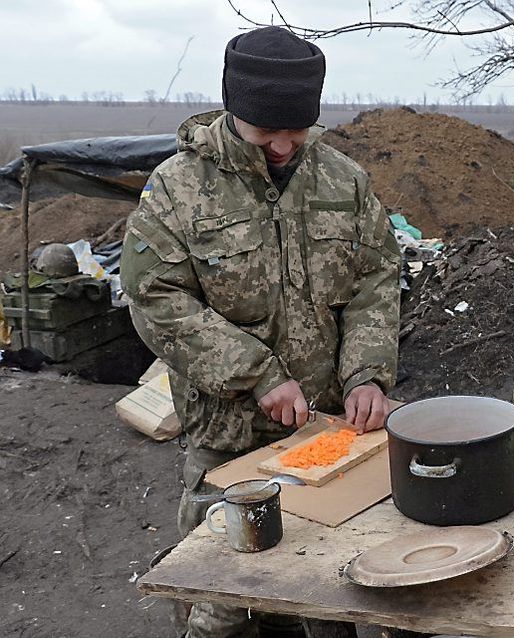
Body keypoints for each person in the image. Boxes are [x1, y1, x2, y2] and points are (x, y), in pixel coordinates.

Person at [121, 26, 400, 638]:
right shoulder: (177, 187)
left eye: (296, 130)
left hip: (330, 438)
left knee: (332, 595)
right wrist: (256, 375)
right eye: (264, 130)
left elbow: (377, 277)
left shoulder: (343, 181)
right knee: (225, 600)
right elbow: (152, 297)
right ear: (233, 110)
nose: (281, 145)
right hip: (228, 439)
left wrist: (367, 372)